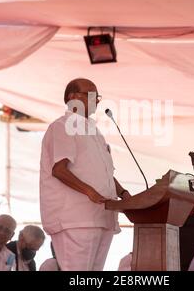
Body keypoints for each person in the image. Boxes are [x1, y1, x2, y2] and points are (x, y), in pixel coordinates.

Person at [39, 78, 131, 271]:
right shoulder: (62, 125)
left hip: (102, 216)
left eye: (97, 96)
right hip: (76, 218)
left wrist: (123, 193)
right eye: (90, 94)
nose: (96, 100)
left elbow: (103, 174)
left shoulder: (94, 132)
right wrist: (89, 191)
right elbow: (59, 169)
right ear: (72, 97)